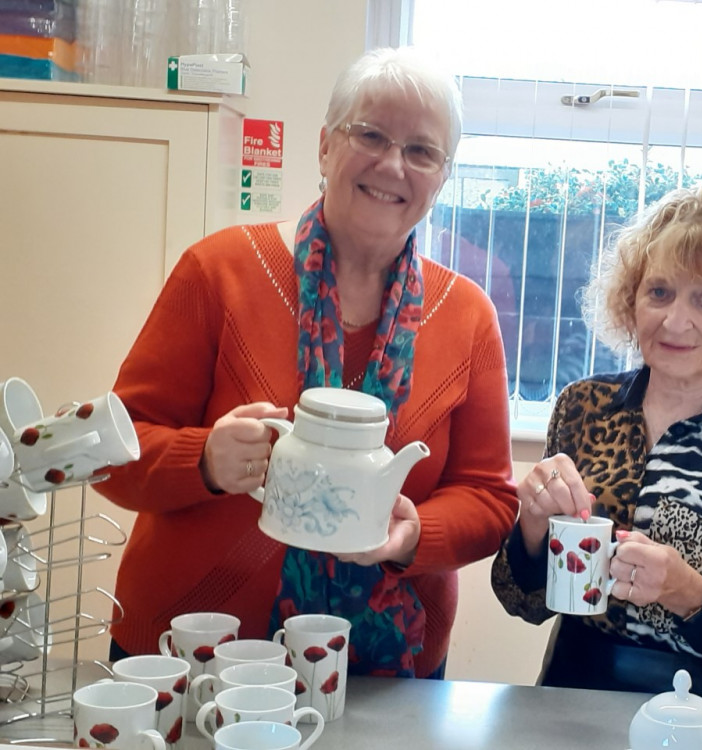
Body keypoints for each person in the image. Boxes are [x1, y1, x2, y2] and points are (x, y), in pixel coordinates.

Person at [98, 47, 519, 679]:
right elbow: (111, 454)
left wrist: (412, 535)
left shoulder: (468, 316)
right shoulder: (219, 271)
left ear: (442, 175)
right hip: (188, 650)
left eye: (421, 150)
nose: (391, 164)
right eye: (369, 134)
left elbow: (489, 500)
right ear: (324, 147)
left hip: (384, 669)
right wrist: (205, 460)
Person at [491, 187, 702, 698]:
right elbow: (521, 600)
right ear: (631, 298)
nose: (676, 321)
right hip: (571, 695)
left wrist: (690, 593)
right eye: (659, 292)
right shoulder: (582, 407)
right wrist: (533, 532)